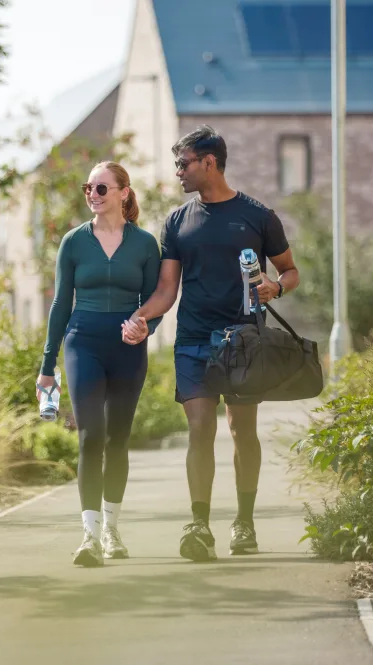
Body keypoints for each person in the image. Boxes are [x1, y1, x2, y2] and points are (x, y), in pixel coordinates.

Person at [121, 125, 300, 561]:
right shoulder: (178, 221)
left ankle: (244, 522)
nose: (178, 172)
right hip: (195, 339)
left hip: (245, 340)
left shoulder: (258, 216)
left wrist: (275, 288)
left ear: (210, 163)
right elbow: (167, 290)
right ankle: (198, 524)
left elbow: (290, 271)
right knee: (200, 429)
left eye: (184, 164)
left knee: (243, 430)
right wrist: (139, 316)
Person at [37, 161, 162, 567]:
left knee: (117, 439)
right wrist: (47, 363)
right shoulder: (73, 242)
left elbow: (156, 301)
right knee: (91, 435)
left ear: (123, 193)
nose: (93, 194)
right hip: (82, 342)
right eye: (88, 187)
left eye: (102, 188)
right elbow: (60, 304)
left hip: (127, 348)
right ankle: (89, 536)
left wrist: (147, 327)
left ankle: (112, 528)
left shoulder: (145, 244)